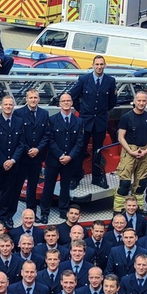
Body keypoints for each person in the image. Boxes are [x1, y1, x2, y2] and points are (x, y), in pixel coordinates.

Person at [69, 55, 117, 189]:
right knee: (80, 150)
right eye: (97, 64)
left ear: (105, 65)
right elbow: (74, 96)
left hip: (100, 122)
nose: (99, 67)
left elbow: (112, 102)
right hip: (85, 121)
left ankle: (97, 177)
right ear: (93, 65)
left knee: (98, 150)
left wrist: (101, 112)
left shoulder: (110, 81)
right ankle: (76, 176)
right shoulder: (84, 79)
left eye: (102, 64)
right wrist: (83, 111)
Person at [39, 93, 83, 224]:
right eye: (63, 101)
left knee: (65, 187)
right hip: (53, 160)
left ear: (72, 103)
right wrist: (60, 155)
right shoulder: (52, 120)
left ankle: (63, 210)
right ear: (59, 104)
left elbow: (80, 142)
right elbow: (50, 140)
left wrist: (70, 156)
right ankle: (44, 212)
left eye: (68, 100)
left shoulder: (79, 122)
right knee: (48, 187)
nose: (66, 103)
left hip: (69, 161)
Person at [113, 91, 147, 212]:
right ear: (134, 101)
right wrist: (130, 152)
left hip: (144, 152)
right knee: (124, 184)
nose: (141, 103)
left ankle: (139, 209)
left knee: (141, 184)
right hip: (129, 151)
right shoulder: (126, 117)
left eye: (144, 101)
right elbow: (121, 137)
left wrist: (146, 150)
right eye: (139, 100)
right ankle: (119, 209)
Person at [0, 95, 26, 227]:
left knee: (8, 193)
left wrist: (13, 160)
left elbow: (21, 144)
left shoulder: (19, 122)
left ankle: (4, 217)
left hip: (13, 165)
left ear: (13, 106)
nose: (8, 107)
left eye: (10, 104)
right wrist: (3, 161)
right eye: (6, 104)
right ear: (1, 106)